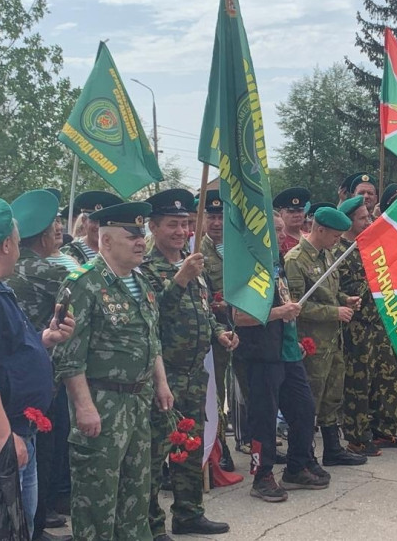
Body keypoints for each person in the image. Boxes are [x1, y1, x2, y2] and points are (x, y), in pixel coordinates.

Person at [52, 202, 174, 541]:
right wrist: (84, 406)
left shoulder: (142, 282)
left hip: (138, 402)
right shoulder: (83, 283)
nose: (140, 242)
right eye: (131, 235)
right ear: (105, 241)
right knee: (98, 496)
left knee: (136, 492)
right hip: (101, 403)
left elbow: (152, 339)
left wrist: (161, 383)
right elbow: (69, 354)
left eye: (142, 235)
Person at [141, 189, 236, 539]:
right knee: (155, 453)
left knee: (188, 447)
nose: (181, 231)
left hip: (195, 376)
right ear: (153, 227)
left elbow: (204, 311)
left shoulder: (194, 265)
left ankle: (189, 513)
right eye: (172, 225)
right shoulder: (146, 270)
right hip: (163, 377)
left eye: (185, 224)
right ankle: (152, 523)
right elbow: (152, 318)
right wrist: (179, 278)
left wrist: (220, 333)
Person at [0, 197, 75, 538]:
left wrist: (45, 340)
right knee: (10, 527)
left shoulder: (1, 290)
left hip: (19, 428)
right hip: (7, 433)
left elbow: (10, 352)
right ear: (8, 244)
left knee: (21, 525)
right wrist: (3, 437)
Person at [233, 213, 330, 503]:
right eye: (271, 231)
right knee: (264, 419)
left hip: (287, 353)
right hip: (262, 356)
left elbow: (287, 306)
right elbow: (238, 317)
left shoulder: (278, 265)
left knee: (303, 410)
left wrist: (294, 337)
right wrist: (278, 313)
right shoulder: (247, 268)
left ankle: (297, 466)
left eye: (278, 230)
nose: (277, 236)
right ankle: (262, 476)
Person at [284, 207, 366, 466]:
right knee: (310, 401)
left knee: (332, 394)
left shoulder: (327, 255)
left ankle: (332, 448)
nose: (337, 241)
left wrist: (345, 300)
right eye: (334, 236)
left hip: (332, 340)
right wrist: (334, 312)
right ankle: (303, 456)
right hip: (312, 343)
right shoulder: (295, 260)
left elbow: (331, 291)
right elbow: (295, 305)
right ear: (319, 230)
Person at [335, 196, 397, 455]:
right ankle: (357, 436)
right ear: (348, 222)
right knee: (359, 382)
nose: (368, 221)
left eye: (368, 216)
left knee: (387, 377)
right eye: (362, 218)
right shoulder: (340, 252)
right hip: (358, 326)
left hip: (382, 321)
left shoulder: (373, 247)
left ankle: (384, 430)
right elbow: (345, 290)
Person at [196, 190, 235, 472]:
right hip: (217, 329)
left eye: (221, 216)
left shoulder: (240, 248)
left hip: (246, 326)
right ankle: (220, 448)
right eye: (211, 216)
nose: (217, 223)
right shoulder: (197, 250)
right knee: (217, 390)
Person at [60, 191, 122, 264]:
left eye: (103, 222)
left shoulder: (122, 253)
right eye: (94, 221)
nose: (98, 226)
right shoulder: (69, 253)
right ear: (84, 221)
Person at [273, 187, 310, 256]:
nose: (296, 215)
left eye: (300, 211)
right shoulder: (278, 240)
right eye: (291, 211)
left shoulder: (310, 238)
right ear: (281, 214)